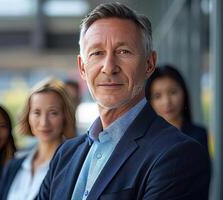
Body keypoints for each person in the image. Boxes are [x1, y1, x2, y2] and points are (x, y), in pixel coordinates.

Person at [37, 2, 210, 200]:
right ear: (82, 67)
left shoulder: (178, 155)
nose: (109, 67)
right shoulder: (65, 155)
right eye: (97, 53)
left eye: (123, 51)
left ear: (149, 64)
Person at [0, 78, 76, 200]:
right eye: (37, 113)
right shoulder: (13, 165)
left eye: (53, 113)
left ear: (65, 116)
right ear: (28, 116)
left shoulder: (73, 166)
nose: (44, 123)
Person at [145, 64, 209, 151]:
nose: (167, 101)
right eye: (158, 96)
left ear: (183, 93)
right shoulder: (144, 140)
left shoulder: (198, 135)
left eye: (173, 92)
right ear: (150, 101)